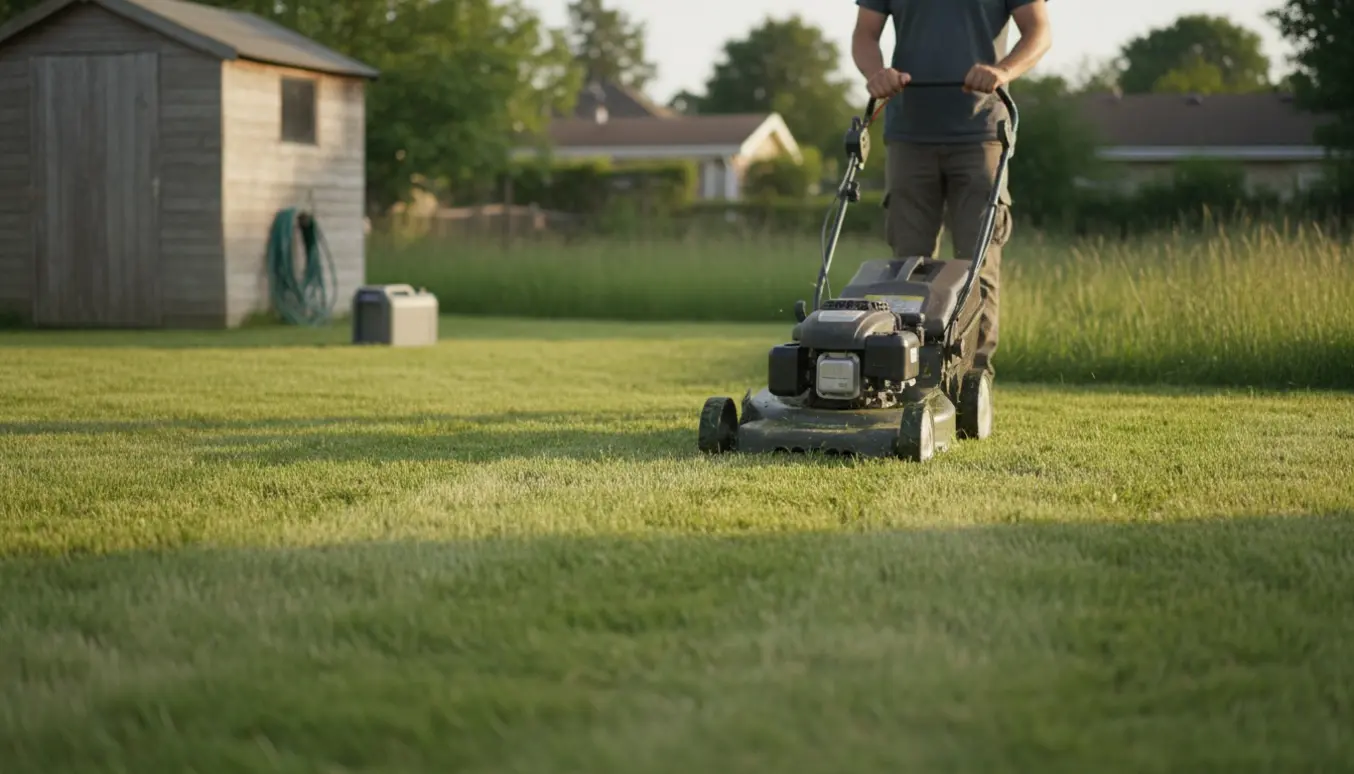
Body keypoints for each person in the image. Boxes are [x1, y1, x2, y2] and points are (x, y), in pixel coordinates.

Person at [852, 0, 1051, 376]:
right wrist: (876, 73)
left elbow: (1039, 31)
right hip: (909, 134)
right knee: (906, 269)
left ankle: (973, 378)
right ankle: (905, 370)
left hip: (980, 133)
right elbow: (865, 33)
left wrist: (1001, 71)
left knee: (978, 264)